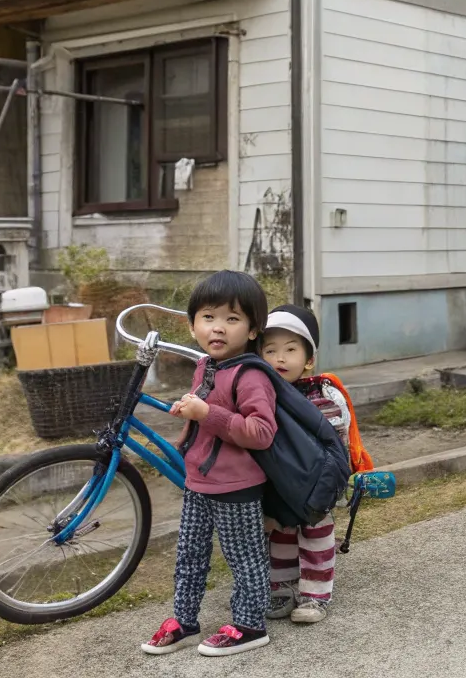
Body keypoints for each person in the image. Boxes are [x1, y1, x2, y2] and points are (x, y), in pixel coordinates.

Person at [142, 270, 276, 658]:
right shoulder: (206, 365)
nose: (218, 327)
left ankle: (251, 625)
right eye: (208, 317)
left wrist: (206, 414)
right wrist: (189, 415)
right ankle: (185, 621)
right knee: (189, 555)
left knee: (245, 558)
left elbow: (261, 432)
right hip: (198, 481)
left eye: (232, 319)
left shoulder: (251, 375)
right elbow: (207, 410)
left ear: (253, 330)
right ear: (192, 324)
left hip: (237, 486)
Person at [258, 304, 366, 625]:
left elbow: (336, 444)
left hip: (316, 485)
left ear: (308, 359)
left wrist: (329, 489)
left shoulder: (322, 395)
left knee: (316, 537)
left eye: (291, 350)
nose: (279, 358)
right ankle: (283, 588)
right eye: (270, 350)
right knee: (280, 536)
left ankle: (315, 596)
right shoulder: (260, 394)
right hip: (280, 486)